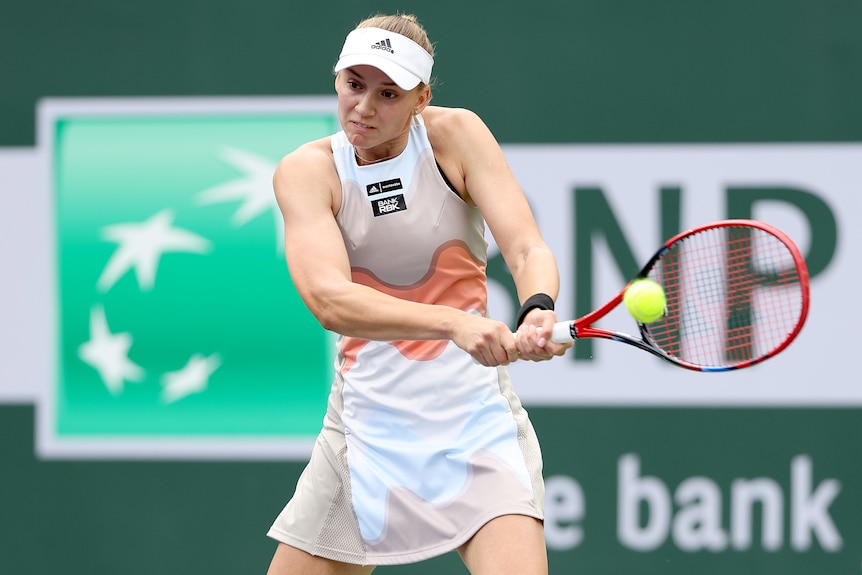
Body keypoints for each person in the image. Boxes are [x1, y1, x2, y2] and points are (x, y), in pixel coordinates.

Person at [266, 13, 572, 575]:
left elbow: (527, 249)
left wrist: (537, 308)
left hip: (475, 424)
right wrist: (453, 324)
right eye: (354, 85)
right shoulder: (308, 172)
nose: (363, 107)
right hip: (363, 433)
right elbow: (330, 301)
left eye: (388, 93)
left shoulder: (455, 137)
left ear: (420, 99)